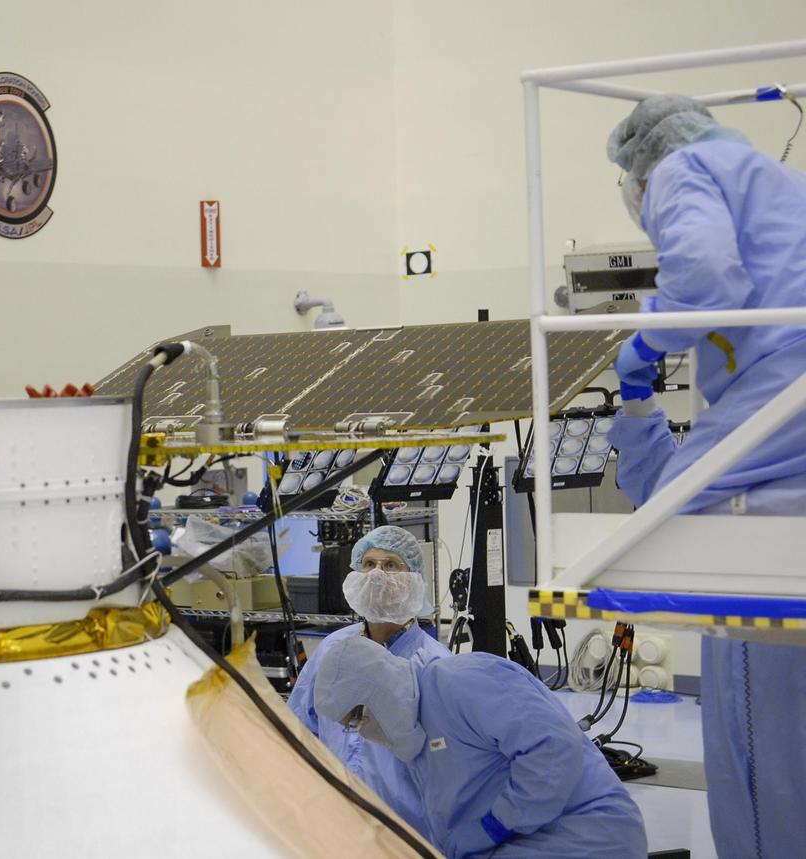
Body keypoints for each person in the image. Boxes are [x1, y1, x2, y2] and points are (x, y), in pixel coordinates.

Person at [606, 94, 806, 858]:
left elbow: (705, 275)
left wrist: (643, 345)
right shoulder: (775, 182)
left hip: (764, 514)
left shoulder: (683, 168)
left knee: (762, 764)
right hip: (779, 428)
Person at [314, 636, 647, 858]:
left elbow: (553, 749)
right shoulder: (415, 738)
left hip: (584, 836)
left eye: (359, 716)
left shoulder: (459, 680)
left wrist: (497, 824)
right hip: (524, 845)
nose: (364, 730)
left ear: (377, 690)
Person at [287, 525, 448, 841]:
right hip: (334, 823)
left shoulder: (435, 666)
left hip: (405, 833)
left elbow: (450, 766)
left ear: (414, 579)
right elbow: (301, 730)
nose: (377, 575)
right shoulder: (333, 651)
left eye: (391, 565)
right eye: (369, 564)